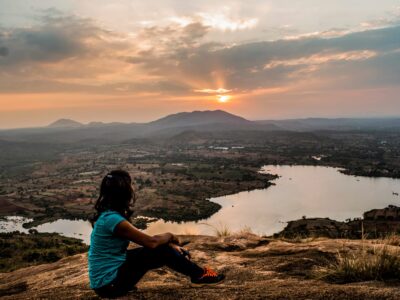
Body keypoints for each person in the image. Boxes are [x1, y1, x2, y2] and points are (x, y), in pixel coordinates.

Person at [88, 170, 225, 298]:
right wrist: (170, 236)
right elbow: (151, 242)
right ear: (124, 192)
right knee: (161, 250)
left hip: (106, 281)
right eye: (130, 186)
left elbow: (147, 242)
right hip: (109, 285)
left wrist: (169, 245)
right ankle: (199, 275)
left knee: (162, 249)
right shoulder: (114, 220)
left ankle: (198, 274)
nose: (133, 189)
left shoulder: (108, 215)